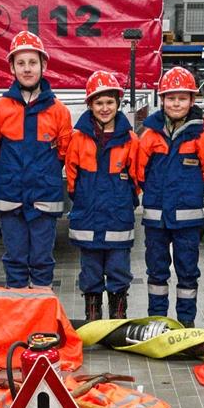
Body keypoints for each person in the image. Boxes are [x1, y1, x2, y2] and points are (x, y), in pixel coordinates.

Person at [0, 31, 73, 290]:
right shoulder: (1, 109)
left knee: (42, 260)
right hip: (10, 197)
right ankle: (18, 319)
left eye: (32, 63)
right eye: (21, 63)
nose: (27, 69)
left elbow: (63, 152)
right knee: (14, 259)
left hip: (43, 197)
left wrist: (42, 176)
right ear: (12, 67)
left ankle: (41, 322)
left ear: (44, 65)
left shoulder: (58, 111)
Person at [136, 67, 204, 326]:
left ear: (192, 101)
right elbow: (139, 172)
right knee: (156, 273)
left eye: (182, 98)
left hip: (188, 223)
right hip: (156, 221)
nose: (176, 103)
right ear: (162, 100)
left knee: (187, 273)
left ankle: (185, 324)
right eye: (171, 98)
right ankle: (157, 322)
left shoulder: (201, 137)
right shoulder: (149, 136)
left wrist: (190, 199)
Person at [65, 71, 140, 320]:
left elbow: (136, 178)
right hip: (87, 219)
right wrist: (86, 200)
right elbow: (72, 177)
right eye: (99, 102)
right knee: (90, 271)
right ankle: (93, 318)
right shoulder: (77, 138)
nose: (104, 108)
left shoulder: (129, 139)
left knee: (119, 270)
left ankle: (118, 318)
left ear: (118, 104)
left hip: (118, 220)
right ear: (90, 105)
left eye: (109, 102)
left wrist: (122, 198)